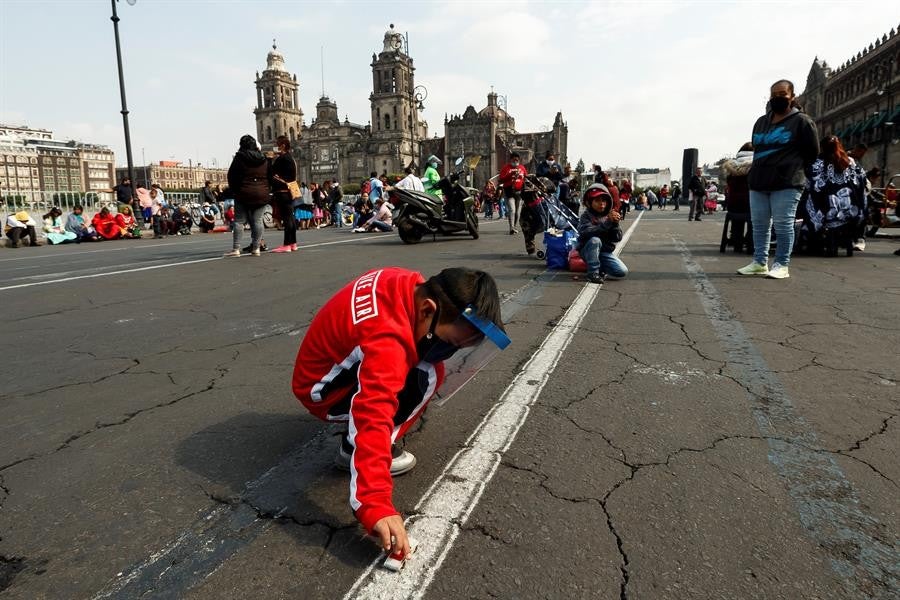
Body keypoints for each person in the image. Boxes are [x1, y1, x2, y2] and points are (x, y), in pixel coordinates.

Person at [291, 267, 508, 560]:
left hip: (322, 370)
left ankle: (359, 446)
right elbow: (374, 410)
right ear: (428, 310)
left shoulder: (409, 283)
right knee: (426, 375)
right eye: (449, 343)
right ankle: (350, 449)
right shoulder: (387, 339)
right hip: (322, 392)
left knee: (426, 366)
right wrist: (375, 504)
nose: (447, 352)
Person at [739, 79, 819, 279]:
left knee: (783, 224)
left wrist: (791, 168)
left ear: (792, 97)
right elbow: (758, 149)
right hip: (759, 181)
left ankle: (782, 264)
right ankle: (759, 262)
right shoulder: (761, 122)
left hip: (787, 182)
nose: (777, 98)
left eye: (782, 94)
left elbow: (812, 153)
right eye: (773, 95)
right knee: (759, 224)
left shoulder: (802, 122)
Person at [803, 135, 867, 243]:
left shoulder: (817, 163)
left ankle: (812, 233)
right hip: (851, 206)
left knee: (808, 199)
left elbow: (809, 184)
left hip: (825, 208)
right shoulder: (850, 161)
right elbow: (861, 180)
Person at [224, 134, 271, 257]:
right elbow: (269, 176)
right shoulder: (264, 159)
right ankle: (256, 248)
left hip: (244, 192)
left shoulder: (239, 158)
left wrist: (236, 190)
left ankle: (236, 249)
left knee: (239, 221)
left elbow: (231, 176)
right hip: (261, 193)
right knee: (258, 220)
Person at [577, 183, 628, 285]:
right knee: (595, 240)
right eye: (597, 201)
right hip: (587, 250)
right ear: (589, 202)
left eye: (604, 200)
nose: (602, 204)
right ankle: (592, 273)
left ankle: (599, 267)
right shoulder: (586, 216)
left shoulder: (609, 215)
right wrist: (608, 223)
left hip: (604, 252)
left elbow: (617, 238)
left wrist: (615, 224)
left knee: (622, 271)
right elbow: (587, 232)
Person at [270, 135, 299, 252]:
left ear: (282, 145)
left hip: (282, 191)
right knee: (290, 217)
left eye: (277, 144)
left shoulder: (281, 159)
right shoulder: (290, 158)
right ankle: (293, 243)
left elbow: (271, 172)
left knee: (286, 219)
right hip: (290, 191)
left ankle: (286, 244)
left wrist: (269, 159)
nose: (276, 147)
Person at [499, 152, 526, 235]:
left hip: (519, 192)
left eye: (517, 159)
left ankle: (515, 227)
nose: (516, 161)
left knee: (518, 212)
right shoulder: (505, 168)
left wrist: (522, 177)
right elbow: (501, 179)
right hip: (509, 192)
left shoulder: (522, 168)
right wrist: (510, 174)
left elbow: (526, 178)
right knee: (512, 210)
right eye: (514, 159)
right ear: (511, 160)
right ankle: (511, 228)